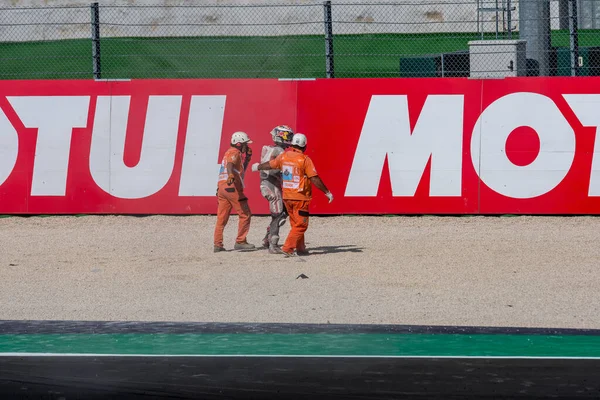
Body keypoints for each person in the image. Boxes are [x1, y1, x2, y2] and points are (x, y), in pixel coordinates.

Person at [252, 133, 333, 257]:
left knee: (295, 224)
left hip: (287, 197)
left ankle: (300, 248)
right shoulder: (305, 160)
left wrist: (258, 166)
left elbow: (270, 164)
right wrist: (327, 192)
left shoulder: (284, 156)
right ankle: (288, 248)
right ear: (304, 146)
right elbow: (314, 178)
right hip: (300, 197)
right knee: (301, 225)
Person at [213, 131, 256, 253]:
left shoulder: (228, 153)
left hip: (222, 188)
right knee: (245, 214)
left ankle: (218, 244)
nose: (246, 147)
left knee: (222, 217)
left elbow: (240, 172)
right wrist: (231, 174)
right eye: (244, 144)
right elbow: (230, 165)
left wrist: (247, 159)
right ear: (238, 144)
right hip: (232, 188)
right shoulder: (234, 152)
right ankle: (241, 241)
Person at [259, 125, 294, 254]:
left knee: (281, 213)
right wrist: (284, 173)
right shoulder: (279, 151)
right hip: (271, 185)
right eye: (288, 136)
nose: (290, 138)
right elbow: (269, 169)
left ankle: (267, 239)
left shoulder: (268, 148)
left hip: (267, 184)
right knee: (278, 214)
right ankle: (273, 244)